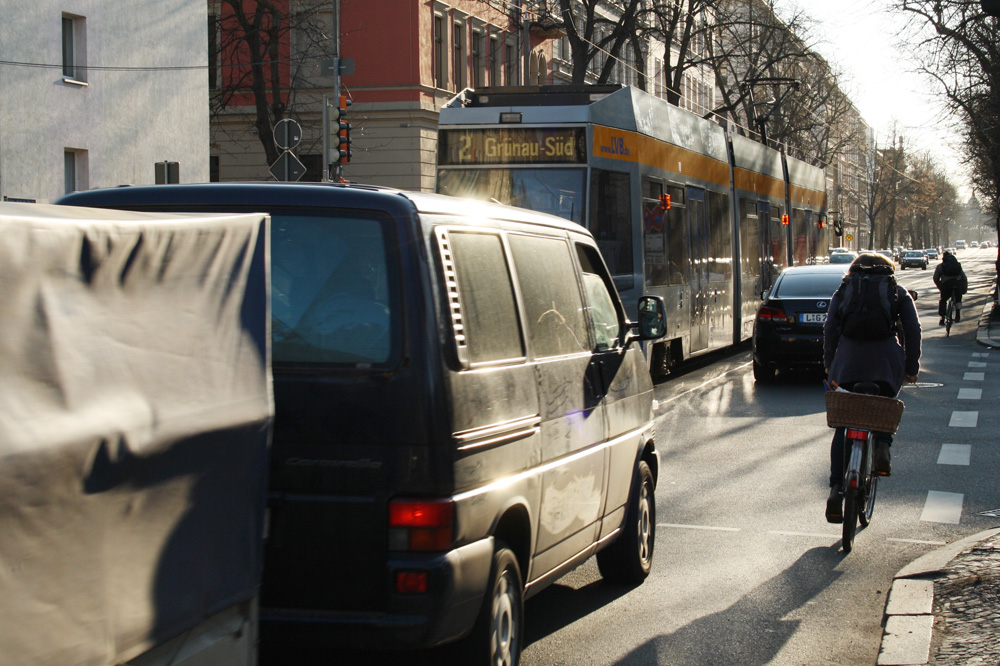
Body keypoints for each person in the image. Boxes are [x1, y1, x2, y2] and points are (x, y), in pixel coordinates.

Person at [823, 252, 922, 523]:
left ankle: (835, 489)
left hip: (848, 364)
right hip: (885, 364)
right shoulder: (897, 292)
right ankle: (882, 445)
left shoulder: (842, 291)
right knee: (884, 404)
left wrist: (831, 365)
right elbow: (913, 331)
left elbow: (830, 329)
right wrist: (911, 367)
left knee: (844, 423)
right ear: (889, 271)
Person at [933, 250, 968, 325]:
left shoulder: (940, 266)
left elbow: (935, 278)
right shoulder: (957, 265)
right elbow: (964, 278)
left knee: (943, 300)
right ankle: (957, 315)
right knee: (958, 300)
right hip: (957, 284)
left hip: (946, 285)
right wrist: (963, 289)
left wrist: (940, 287)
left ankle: (942, 318)